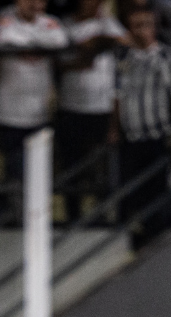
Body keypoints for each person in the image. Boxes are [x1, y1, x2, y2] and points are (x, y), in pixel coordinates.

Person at [112, 6, 171, 225]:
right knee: (130, 187)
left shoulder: (167, 57)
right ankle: (131, 229)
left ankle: (157, 228)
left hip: (158, 133)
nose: (142, 31)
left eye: (147, 25)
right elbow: (116, 95)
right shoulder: (122, 58)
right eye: (137, 26)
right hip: (131, 135)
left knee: (158, 186)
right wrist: (114, 129)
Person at [58, 0, 127, 219]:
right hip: (72, 107)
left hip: (102, 109)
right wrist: (86, 52)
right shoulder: (66, 25)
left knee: (102, 167)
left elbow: (125, 41)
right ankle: (73, 216)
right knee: (73, 165)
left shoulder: (108, 23)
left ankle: (103, 215)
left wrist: (99, 38)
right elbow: (60, 62)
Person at [0, 0, 68, 181]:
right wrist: (40, 45)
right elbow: (6, 39)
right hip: (9, 113)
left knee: (38, 172)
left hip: (40, 112)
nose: (34, 4)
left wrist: (28, 43)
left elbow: (60, 41)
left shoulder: (50, 22)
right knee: (14, 171)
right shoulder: (5, 20)